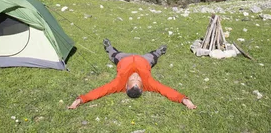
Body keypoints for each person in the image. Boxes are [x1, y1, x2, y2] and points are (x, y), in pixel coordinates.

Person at [68, 39, 196, 109]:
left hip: (124, 59)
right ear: (142, 87)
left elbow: (101, 90)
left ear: (126, 87)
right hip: (143, 60)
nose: (135, 77)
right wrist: (184, 100)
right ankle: (159, 51)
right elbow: (165, 90)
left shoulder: (118, 84)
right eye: (138, 81)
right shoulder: (149, 83)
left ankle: (108, 47)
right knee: (153, 57)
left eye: (132, 80)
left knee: (114, 55)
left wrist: (81, 99)